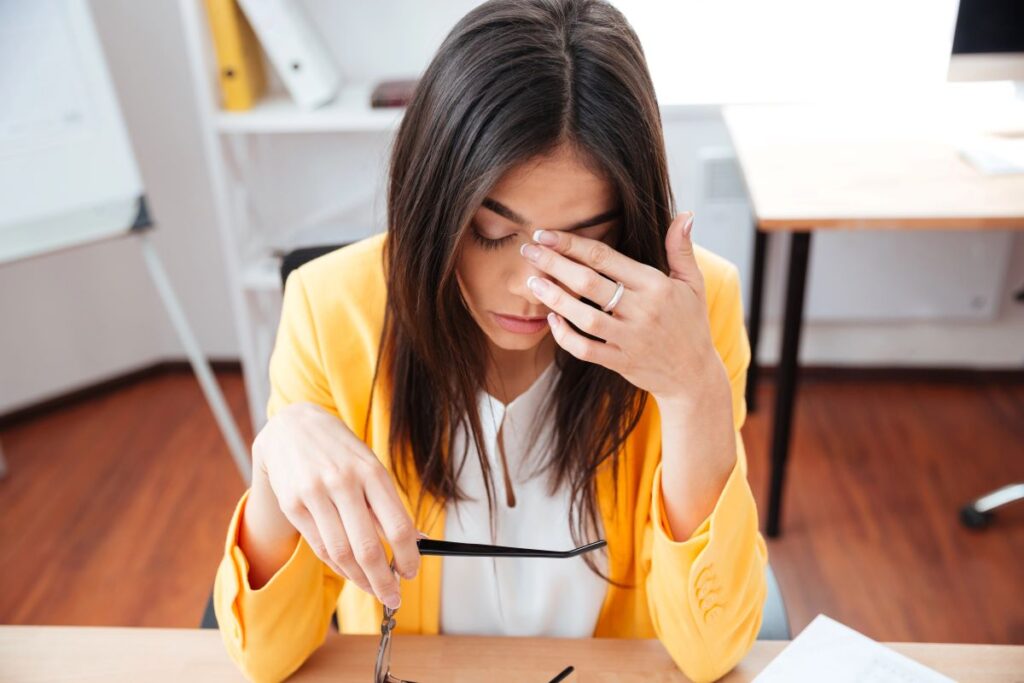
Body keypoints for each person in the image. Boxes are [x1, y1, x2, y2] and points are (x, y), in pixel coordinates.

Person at [213, 0, 767, 681]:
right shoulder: (332, 309)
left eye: (582, 243)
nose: (530, 288)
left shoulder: (690, 312)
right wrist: (276, 460)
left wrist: (692, 390)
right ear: (433, 203)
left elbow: (711, 650)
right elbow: (265, 655)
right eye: (491, 231)